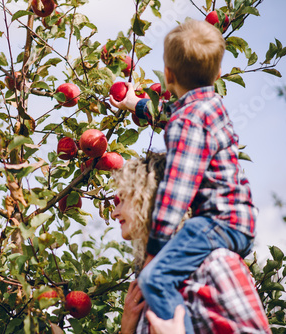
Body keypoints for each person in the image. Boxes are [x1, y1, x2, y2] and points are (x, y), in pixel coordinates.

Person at [110, 20, 257, 333]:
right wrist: (135, 104)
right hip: (238, 219)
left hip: (217, 221)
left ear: (168, 74)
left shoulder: (213, 267)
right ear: (217, 76)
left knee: (155, 278)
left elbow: (177, 189)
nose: (113, 208)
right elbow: (172, 114)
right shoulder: (212, 108)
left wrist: (156, 245)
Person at [112, 153, 270, 333]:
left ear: (149, 200)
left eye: (123, 200)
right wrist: (126, 330)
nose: (114, 213)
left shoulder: (215, 264)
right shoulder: (143, 292)